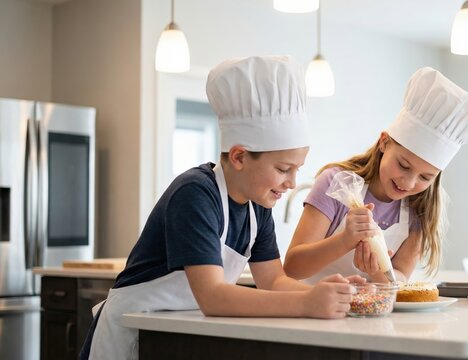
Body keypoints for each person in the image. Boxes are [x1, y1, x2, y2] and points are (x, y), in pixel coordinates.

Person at [80, 56, 361, 360]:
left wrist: (332, 296)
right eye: (283, 169)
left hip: (178, 331)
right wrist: (307, 304)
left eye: (297, 169)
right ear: (239, 156)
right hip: (132, 331)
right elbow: (212, 296)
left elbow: (273, 280)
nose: (292, 182)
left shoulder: (259, 206)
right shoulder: (195, 193)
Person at [283, 67, 468, 284]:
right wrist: (344, 240)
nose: (409, 183)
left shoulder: (421, 209)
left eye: (425, 177)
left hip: (373, 315)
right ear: (384, 142)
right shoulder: (336, 182)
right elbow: (293, 267)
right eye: (403, 165)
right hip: (314, 312)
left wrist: (376, 270)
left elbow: (399, 278)